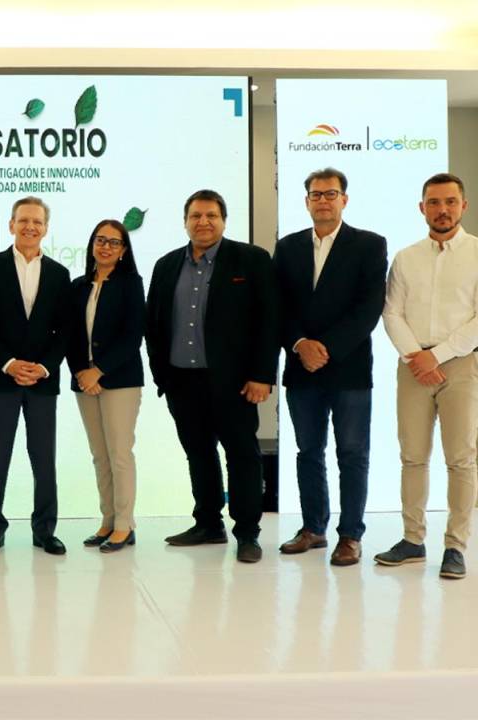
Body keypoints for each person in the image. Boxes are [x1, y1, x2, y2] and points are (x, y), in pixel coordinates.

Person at [145, 189, 279, 563]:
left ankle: (248, 532)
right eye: (195, 216)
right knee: (198, 454)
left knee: (242, 455)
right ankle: (208, 523)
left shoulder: (251, 260)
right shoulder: (167, 265)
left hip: (235, 382)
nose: (203, 222)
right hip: (182, 381)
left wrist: (261, 375)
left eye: (211, 216)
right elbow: (153, 322)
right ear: (185, 221)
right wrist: (162, 376)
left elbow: (268, 322)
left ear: (223, 220)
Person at [273, 168, 387, 566]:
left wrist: (328, 348)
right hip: (301, 367)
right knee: (308, 451)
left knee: (353, 453)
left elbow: (369, 307)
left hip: (350, 368)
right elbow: (278, 307)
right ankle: (313, 529)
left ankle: (351, 535)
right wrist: (301, 344)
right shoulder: (286, 248)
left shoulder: (370, 245)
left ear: (344, 200)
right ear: (306, 201)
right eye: (315, 194)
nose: (323, 200)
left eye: (331, 193)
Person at [377, 172, 478, 580]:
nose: (442, 210)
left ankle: (455, 546)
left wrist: (436, 355)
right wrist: (416, 356)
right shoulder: (406, 257)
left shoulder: (476, 253)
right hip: (413, 368)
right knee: (413, 456)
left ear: (463, 206)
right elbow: (391, 312)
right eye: (434, 202)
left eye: (450, 202)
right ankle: (413, 539)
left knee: (462, 459)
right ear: (422, 208)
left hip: (462, 365)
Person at [0, 196, 71, 556]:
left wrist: (43, 367)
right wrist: (9, 363)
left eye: (38, 222)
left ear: (46, 228)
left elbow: (65, 331)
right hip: (1, 380)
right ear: (11, 225)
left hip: (43, 382)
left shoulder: (60, 274)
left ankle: (45, 529)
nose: (31, 227)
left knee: (44, 458)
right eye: (24, 220)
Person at [66, 220, 145, 553]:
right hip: (85, 382)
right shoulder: (78, 285)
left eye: (114, 242)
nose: (106, 247)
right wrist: (82, 372)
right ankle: (108, 520)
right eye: (100, 240)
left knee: (119, 454)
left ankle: (125, 525)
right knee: (100, 456)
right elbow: (69, 335)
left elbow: (133, 335)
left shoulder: (131, 284)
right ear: (92, 245)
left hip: (120, 380)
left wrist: (99, 370)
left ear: (124, 250)